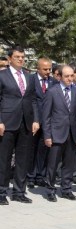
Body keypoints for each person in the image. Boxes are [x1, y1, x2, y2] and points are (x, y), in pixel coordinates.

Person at [0, 46, 39, 205]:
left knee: (23, 160)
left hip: (26, 123)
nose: (21, 59)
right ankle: (2, 191)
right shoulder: (2, 76)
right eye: (17, 57)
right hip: (7, 123)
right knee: (4, 159)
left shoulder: (29, 77)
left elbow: (34, 100)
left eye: (23, 57)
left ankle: (19, 192)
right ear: (9, 59)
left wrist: (36, 119)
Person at [42, 65, 76, 202]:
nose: (70, 79)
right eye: (66, 76)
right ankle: (50, 190)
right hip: (56, 134)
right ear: (59, 76)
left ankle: (66, 189)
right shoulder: (52, 91)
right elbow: (46, 116)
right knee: (53, 164)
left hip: (72, 134)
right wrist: (47, 135)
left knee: (69, 164)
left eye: (72, 76)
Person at [27, 57, 57, 189]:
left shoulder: (54, 82)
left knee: (43, 149)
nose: (48, 71)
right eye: (45, 69)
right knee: (31, 149)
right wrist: (36, 119)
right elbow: (30, 100)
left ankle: (40, 175)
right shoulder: (30, 80)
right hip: (33, 121)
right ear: (37, 68)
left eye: (49, 69)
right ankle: (30, 176)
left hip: (48, 122)